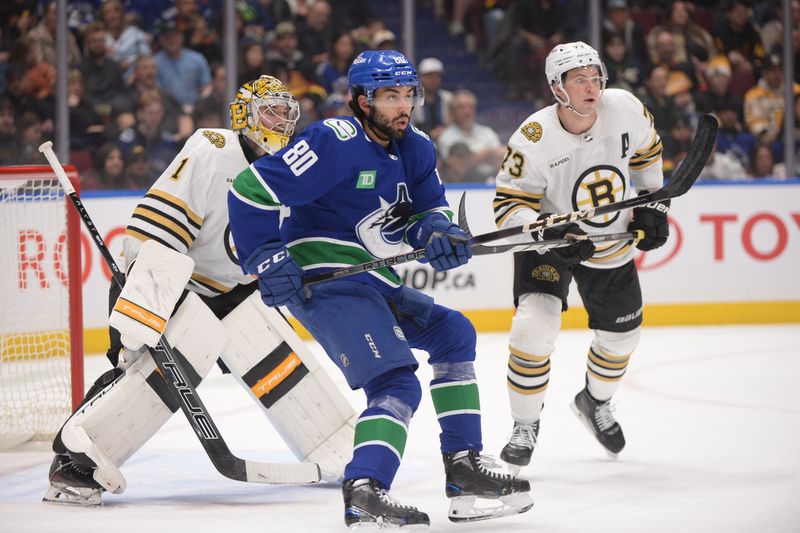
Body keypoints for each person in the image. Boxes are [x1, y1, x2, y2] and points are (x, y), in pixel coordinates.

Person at [227, 50, 532, 529]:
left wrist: (436, 234)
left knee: (455, 333)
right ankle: (366, 490)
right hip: (324, 279)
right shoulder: (333, 140)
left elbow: (427, 211)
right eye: (391, 96)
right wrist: (265, 255)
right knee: (395, 382)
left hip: (371, 275)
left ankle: (464, 468)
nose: (403, 106)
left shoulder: (417, 147)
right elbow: (249, 189)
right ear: (361, 100)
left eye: (408, 94)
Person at [44, 76, 355, 506]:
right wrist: (146, 306)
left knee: (281, 364)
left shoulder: (288, 169)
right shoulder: (211, 149)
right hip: (171, 283)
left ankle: (339, 444)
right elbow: (155, 235)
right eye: (272, 111)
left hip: (232, 292)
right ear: (244, 114)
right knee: (145, 378)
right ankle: (77, 461)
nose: (282, 122)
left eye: (287, 112)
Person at [493, 42, 670, 473]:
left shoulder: (625, 107)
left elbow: (648, 153)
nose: (591, 87)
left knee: (622, 339)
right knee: (533, 329)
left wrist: (652, 203)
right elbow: (507, 207)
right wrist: (548, 231)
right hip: (550, 243)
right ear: (558, 87)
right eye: (579, 79)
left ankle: (595, 401)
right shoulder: (532, 137)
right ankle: (524, 425)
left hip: (611, 239)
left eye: (595, 77)